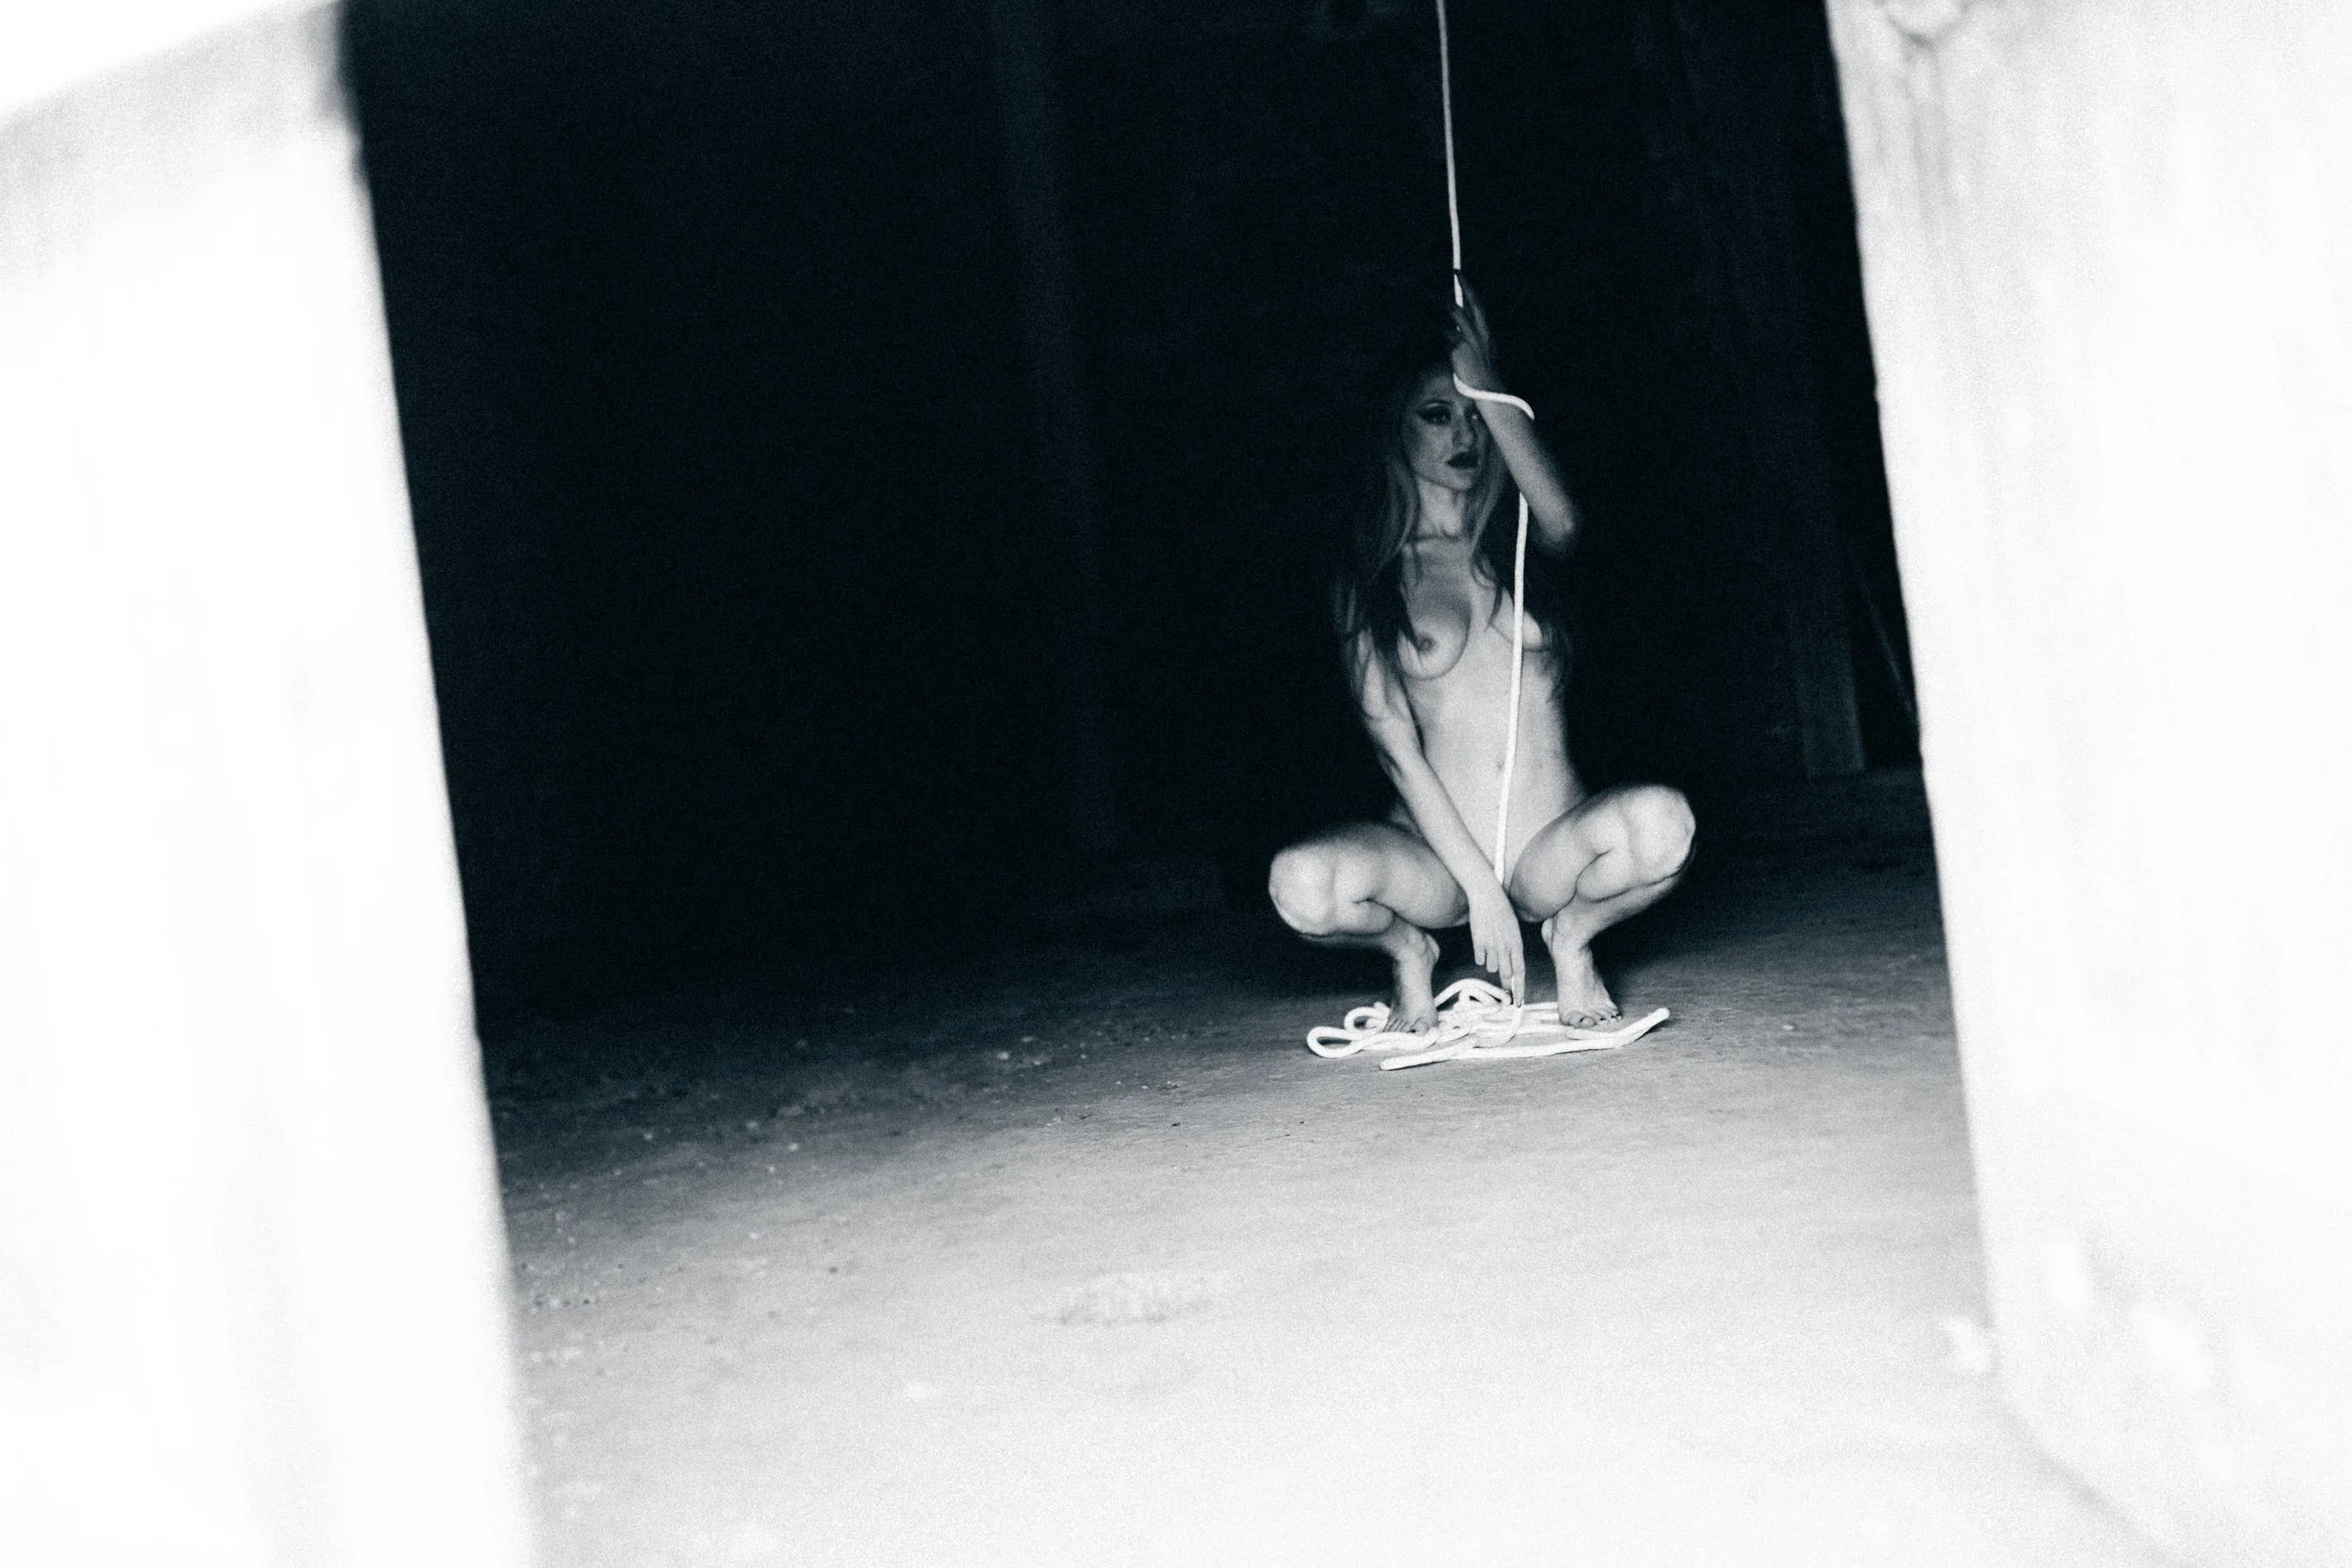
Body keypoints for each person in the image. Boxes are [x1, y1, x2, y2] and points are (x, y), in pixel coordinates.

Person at [1267, 280, 1695, 1031]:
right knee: (1300, 885)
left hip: (1548, 846)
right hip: (1432, 859)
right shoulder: (1371, 576)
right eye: (1437, 415)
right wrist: (1477, 889)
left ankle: (1574, 938)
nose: (1463, 435)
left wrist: (1486, 383)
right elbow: (1395, 747)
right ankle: (1408, 953)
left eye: (1473, 419)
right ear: (1395, 431)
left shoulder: (1522, 544)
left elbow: (1564, 518)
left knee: (1664, 826)